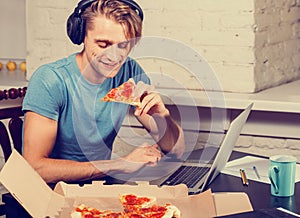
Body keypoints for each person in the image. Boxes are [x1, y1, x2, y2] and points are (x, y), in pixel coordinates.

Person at [22, 0, 185, 184]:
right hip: (49, 193)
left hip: (98, 188)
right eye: (103, 44)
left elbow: (177, 150)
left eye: (123, 46)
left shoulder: (130, 73)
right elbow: (35, 168)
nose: (114, 56)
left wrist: (162, 116)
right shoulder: (50, 80)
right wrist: (119, 164)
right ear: (81, 35)